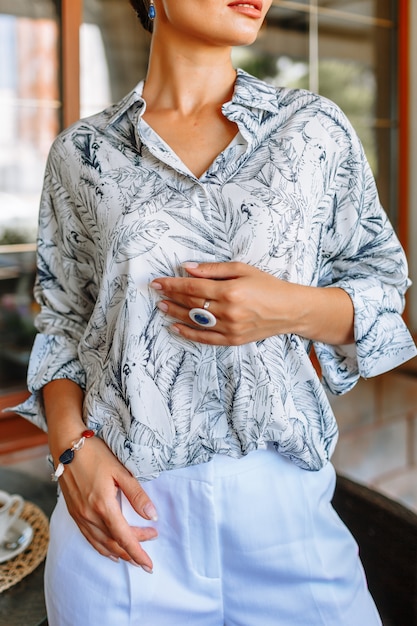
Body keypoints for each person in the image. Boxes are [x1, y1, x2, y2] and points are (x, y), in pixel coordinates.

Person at [15, 0, 417, 624]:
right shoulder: (82, 154)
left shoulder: (312, 131)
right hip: (123, 519)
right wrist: (71, 450)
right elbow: (64, 321)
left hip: (283, 510)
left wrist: (287, 308)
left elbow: (382, 294)